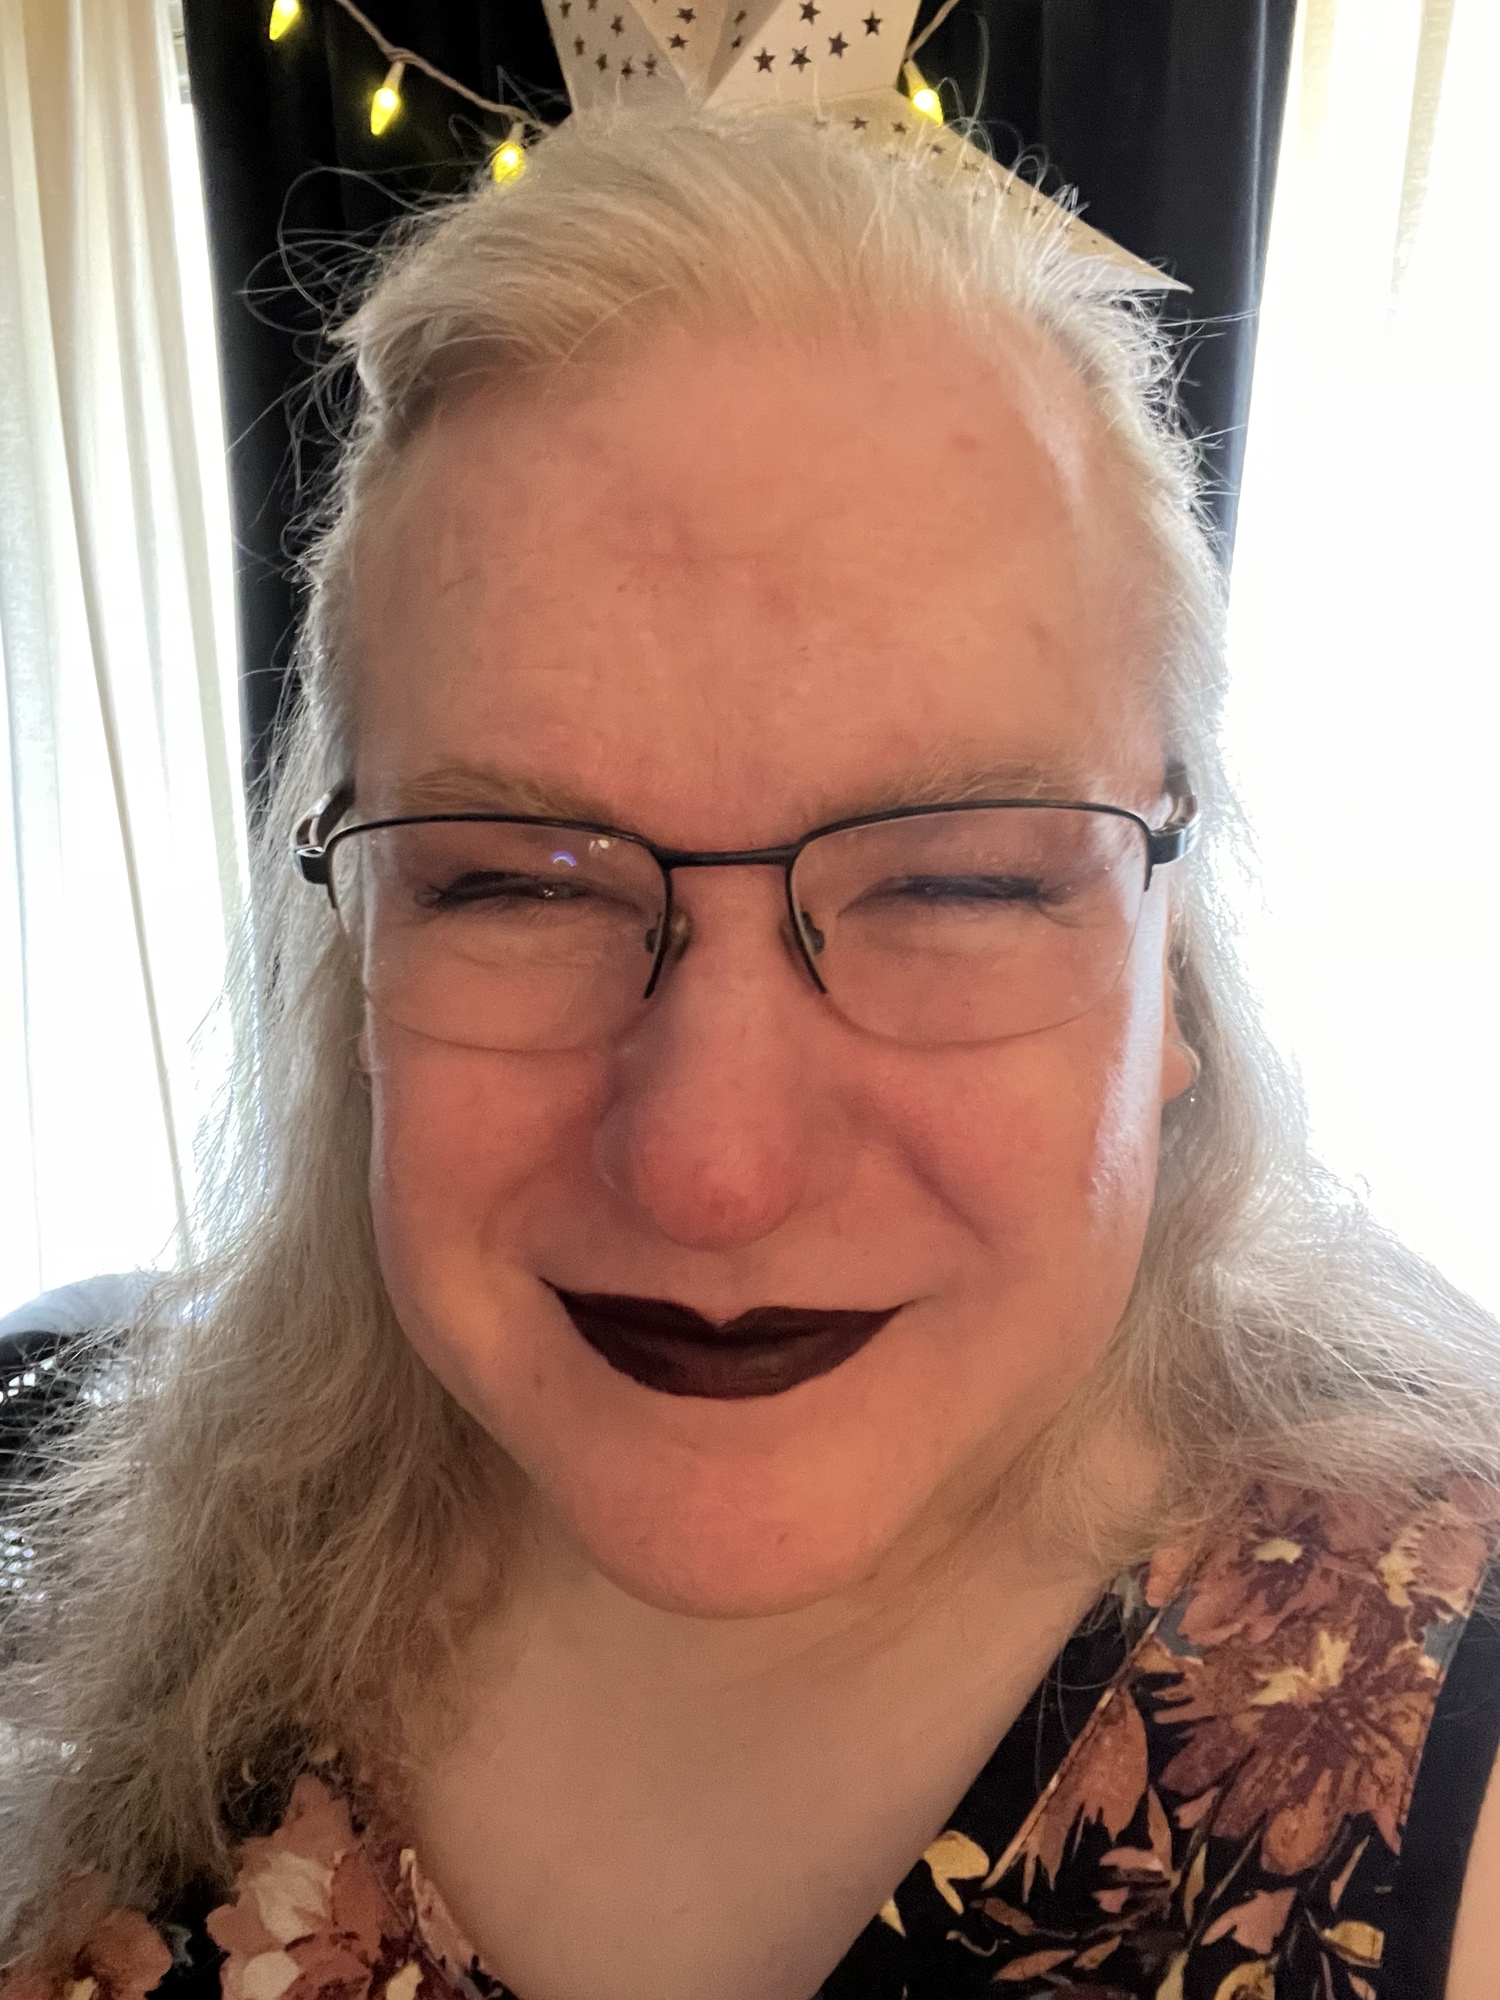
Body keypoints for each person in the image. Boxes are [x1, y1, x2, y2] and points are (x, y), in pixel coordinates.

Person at [2, 106, 1499, 2000]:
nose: (712, 1170)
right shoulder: (141, 1575)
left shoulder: (1439, 1756)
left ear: (1174, 966)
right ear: (354, 952)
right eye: (511, 886)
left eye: (954, 884)